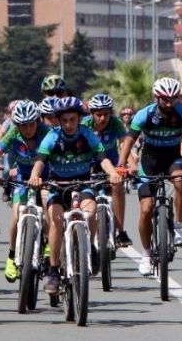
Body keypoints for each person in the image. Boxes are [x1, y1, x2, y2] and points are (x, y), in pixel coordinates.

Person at [28, 97, 122, 295]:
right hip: (57, 186)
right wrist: (35, 176)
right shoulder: (52, 136)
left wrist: (113, 173)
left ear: (79, 119)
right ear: (59, 121)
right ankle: (54, 272)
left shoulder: (87, 134)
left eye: (72, 120)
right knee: (56, 221)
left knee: (91, 212)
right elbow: (40, 160)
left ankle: (91, 246)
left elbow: (102, 158)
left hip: (83, 184)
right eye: (64, 120)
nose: (69, 124)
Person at [117, 77, 182, 277]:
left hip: (172, 158)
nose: (169, 104)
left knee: (180, 181)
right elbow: (129, 140)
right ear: (157, 98)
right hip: (149, 162)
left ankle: (178, 226)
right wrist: (121, 164)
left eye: (173, 99)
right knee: (146, 209)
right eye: (165, 100)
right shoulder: (145, 115)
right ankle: (146, 255)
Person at [0, 100, 51, 282]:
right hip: (22, 178)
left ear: (38, 121)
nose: (27, 129)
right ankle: (12, 256)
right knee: (16, 215)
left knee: (47, 203)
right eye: (23, 125)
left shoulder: (47, 132)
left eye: (31, 124)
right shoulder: (13, 133)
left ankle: (48, 244)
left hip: (46, 177)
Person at [82, 93, 132, 247]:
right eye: (99, 115)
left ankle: (120, 231)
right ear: (92, 114)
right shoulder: (84, 124)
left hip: (111, 162)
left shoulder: (116, 123)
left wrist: (130, 165)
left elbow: (124, 144)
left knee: (118, 185)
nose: (103, 118)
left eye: (106, 114)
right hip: (88, 163)